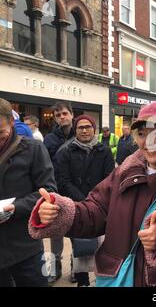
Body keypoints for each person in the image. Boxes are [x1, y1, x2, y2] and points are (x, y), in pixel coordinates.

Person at [28, 102, 156, 287]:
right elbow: (95, 210)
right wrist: (59, 211)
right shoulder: (123, 172)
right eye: (141, 134)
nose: (148, 142)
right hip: (117, 277)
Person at [0, 98, 57, 287]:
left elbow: (48, 191)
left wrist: (15, 207)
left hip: (25, 246)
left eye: (1, 133)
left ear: (11, 123)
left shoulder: (33, 148)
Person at [55, 115, 115, 286]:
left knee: (103, 245)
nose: (84, 130)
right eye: (80, 127)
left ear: (93, 129)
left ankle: (103, 278)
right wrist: (84, 201)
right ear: (75, 130)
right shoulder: (65, 152)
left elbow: (109, 179)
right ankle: (82, 281)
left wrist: (96, 200)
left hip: (101, 205)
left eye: (88, 126)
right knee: (80, 246)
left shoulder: (104, 151)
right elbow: (64, 182)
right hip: (76, 206)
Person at [43, 101, 75, 284]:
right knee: (55, 234)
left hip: (75, 191)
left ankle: (77, 269)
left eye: (64, 113)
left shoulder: (80, 133)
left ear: (71, 114)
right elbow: (44, 167)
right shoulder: (49, 139)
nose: (62, 117)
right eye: (58, 115)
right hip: (55, 192)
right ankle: (55, 269)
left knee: (77, 233)